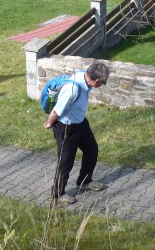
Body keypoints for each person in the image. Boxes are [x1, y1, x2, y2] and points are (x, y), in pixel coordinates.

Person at [44, 61, 110, 205]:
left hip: (80, 123)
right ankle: (57, 194)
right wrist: (49, 123)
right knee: (66, 160)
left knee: (92, 149)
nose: (102, 86)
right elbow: (56, 110)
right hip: (67, 127)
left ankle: (85, 181)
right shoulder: (72, 89)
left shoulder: (84, 77)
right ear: (97, 80)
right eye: (103, 83)